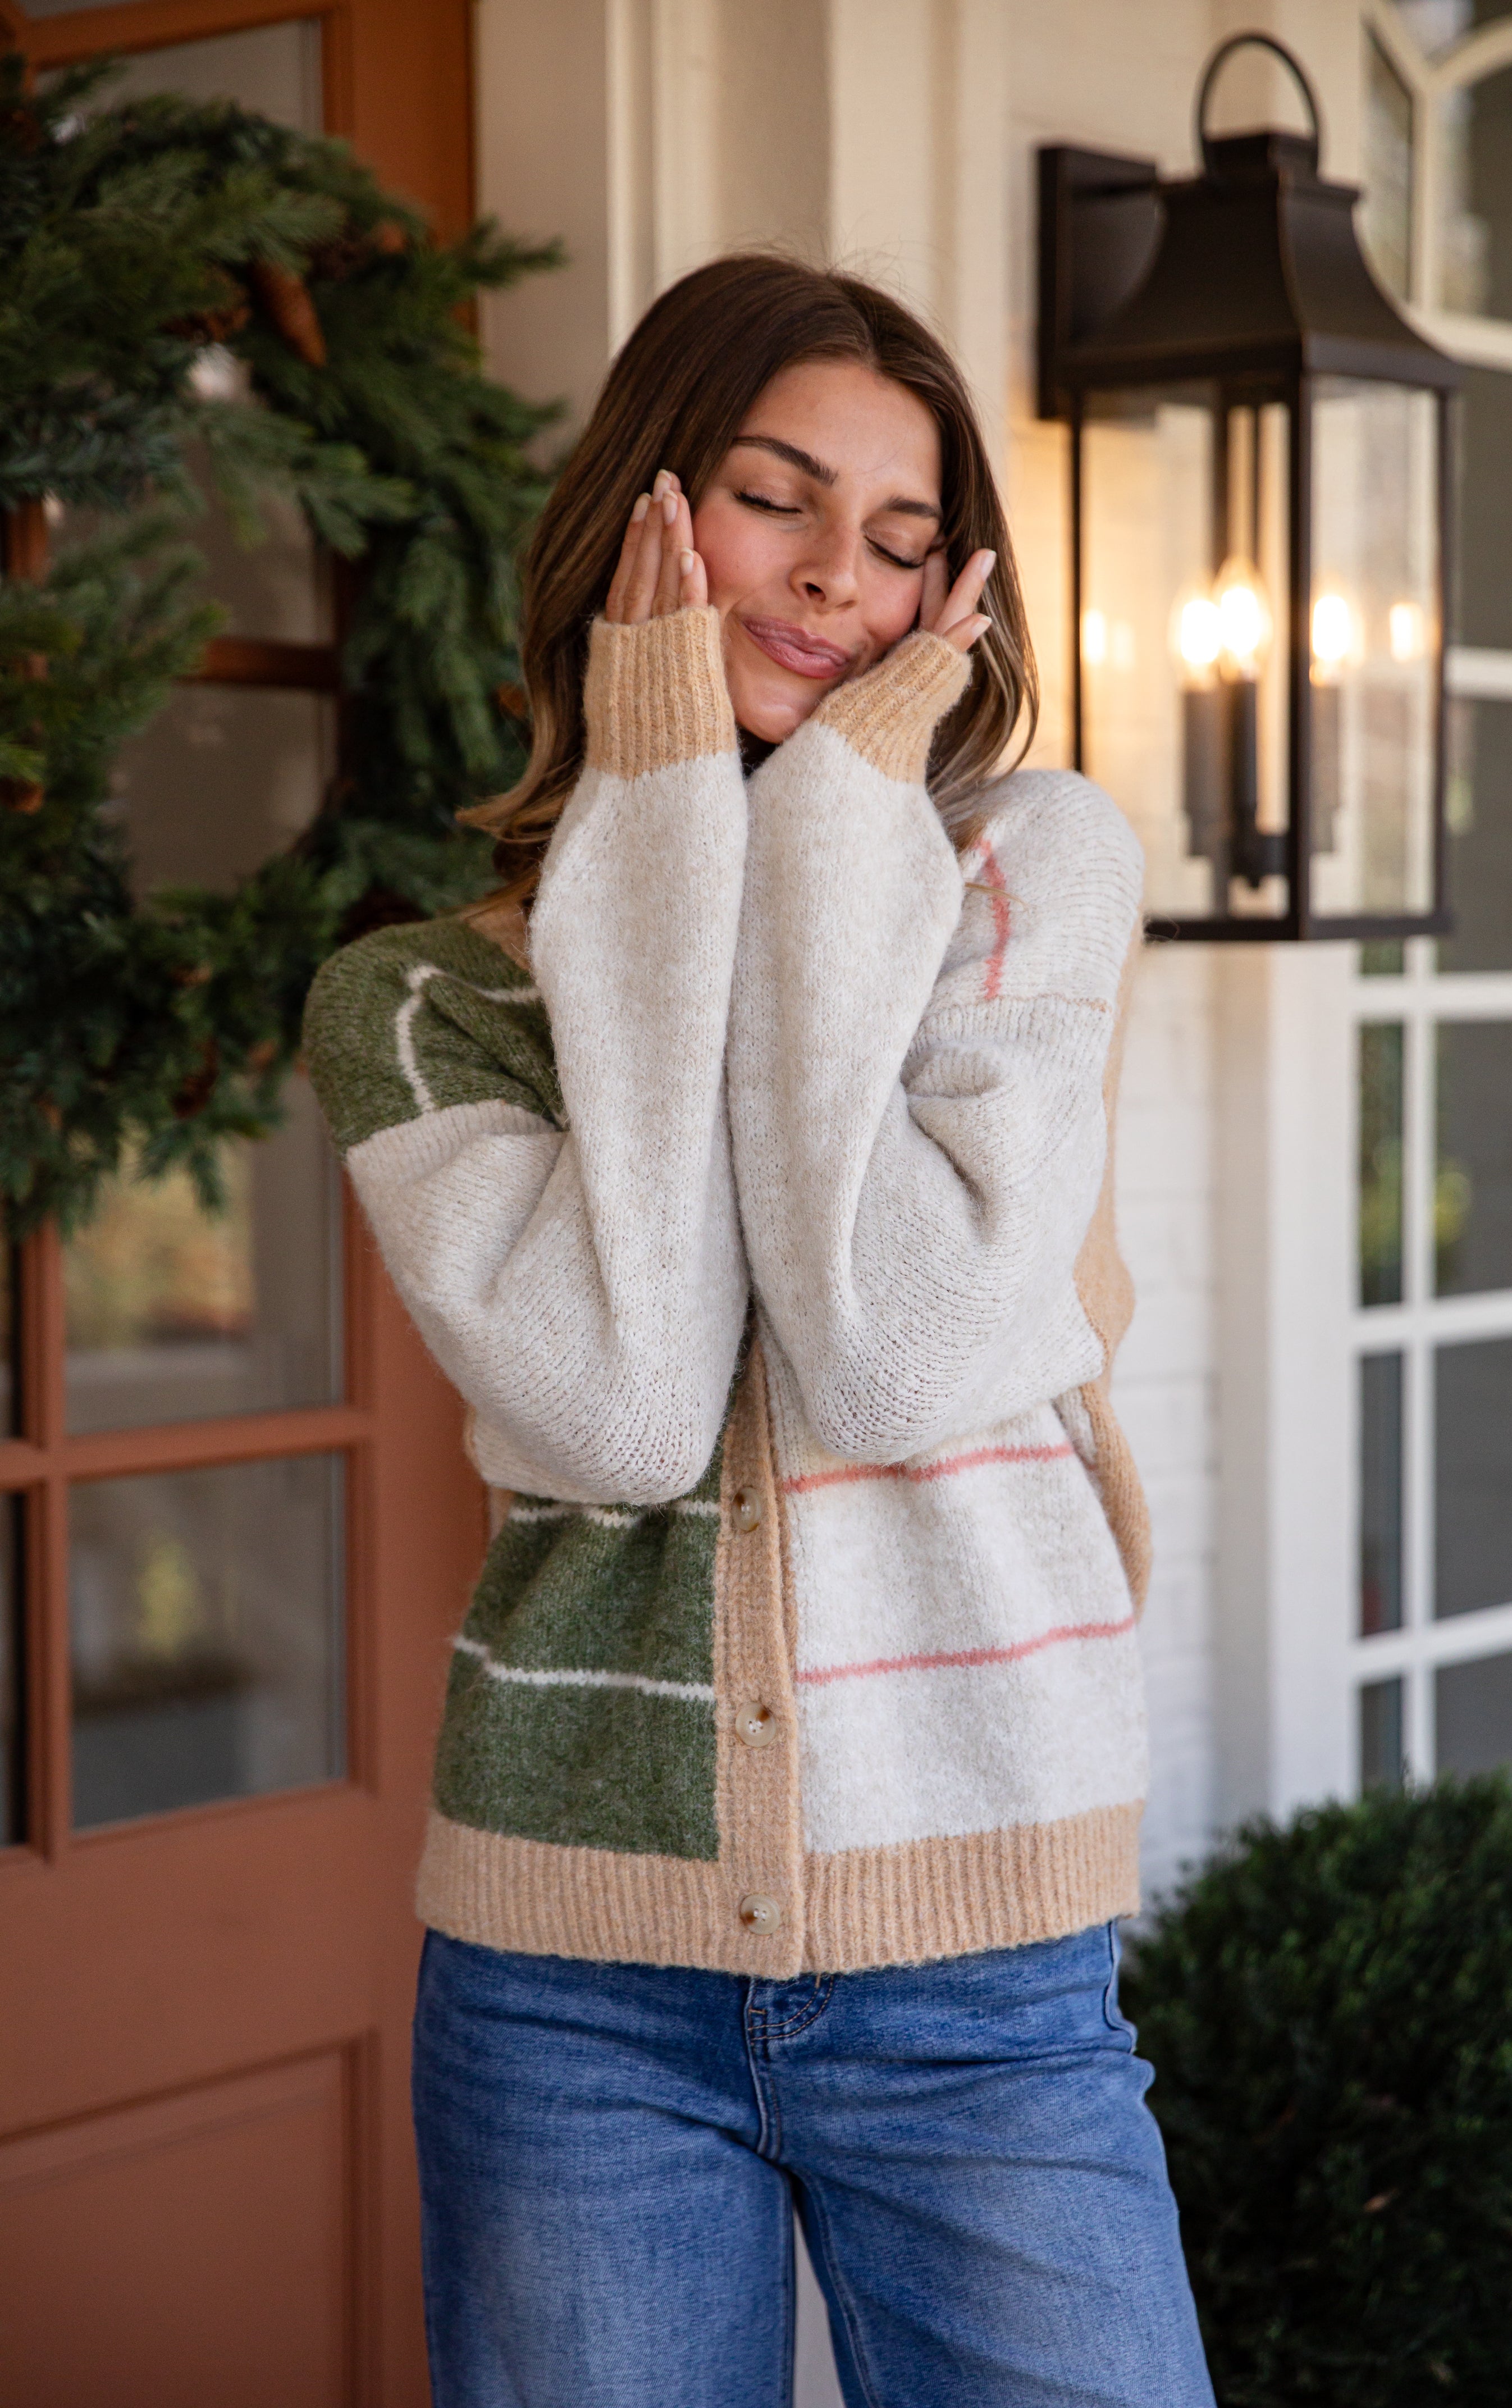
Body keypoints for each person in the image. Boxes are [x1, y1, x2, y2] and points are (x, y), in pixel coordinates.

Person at [304, 253, 1214, 2408]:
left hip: (982, 1961)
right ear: (643, 506)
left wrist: (817, 825)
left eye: (904, 543)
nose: (836, 583)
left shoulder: (1027, 873)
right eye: (774, 500)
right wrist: (661, 819)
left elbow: (898, 1351)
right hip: (569, 1988)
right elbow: (624, 1411)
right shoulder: (422, 998)